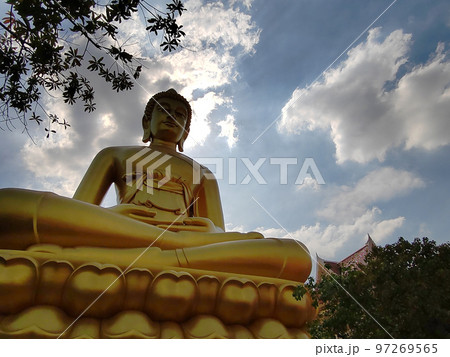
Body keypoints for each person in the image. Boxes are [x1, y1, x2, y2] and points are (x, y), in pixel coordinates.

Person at [0, 89, 311, 281]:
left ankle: (165, 255)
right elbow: (78, 212)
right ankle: (172, 254)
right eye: (161, 112)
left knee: (295, 253)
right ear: (146, 123)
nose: (170, 118)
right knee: (8, 206)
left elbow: (218, 232)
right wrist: (115, 216)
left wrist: (207, 231)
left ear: (185, 131)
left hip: (187, 239)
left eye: (178, 115)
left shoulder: (202, 173)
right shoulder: (114, 155)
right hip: (119, 231)